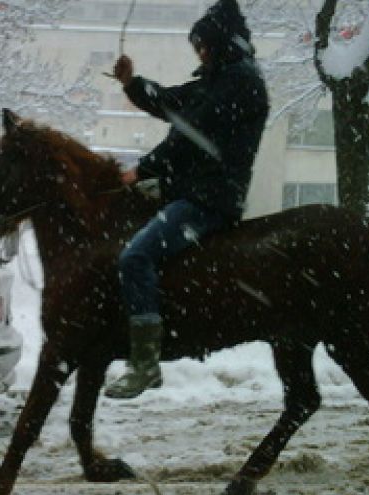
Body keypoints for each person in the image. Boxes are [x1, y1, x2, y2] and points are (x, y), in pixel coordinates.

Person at [105, 0, 269, 399]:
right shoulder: (219, 80)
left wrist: (140, 170)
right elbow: (169, 101)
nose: (199, 52)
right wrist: (132, 83)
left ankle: (145, 364)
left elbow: (188, 135)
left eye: (202, 45)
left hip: (208, 200)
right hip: (190, 191)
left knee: (135, 257)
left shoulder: (238, 83)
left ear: (219, 44)